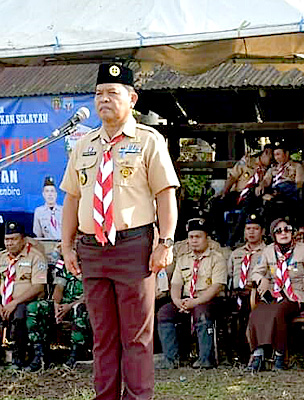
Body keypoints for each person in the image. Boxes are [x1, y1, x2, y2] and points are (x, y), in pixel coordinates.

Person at [60, 63, 179, 400]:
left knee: (137, 337)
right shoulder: (83, 145)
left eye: (112, 92)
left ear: (132, 98)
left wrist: (165, 242)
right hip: (92, 250)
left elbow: (165, 194)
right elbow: (72, 198)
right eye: (99, 93)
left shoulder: (148, 141)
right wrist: (67, 247)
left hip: (133, 247)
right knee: (103, 337)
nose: (104, 99)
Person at [246, 218, 304, 372]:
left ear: (292, 232)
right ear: (273, 235)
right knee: (256, 313)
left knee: (277, 312)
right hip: (275, 293)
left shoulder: (303, 250)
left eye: (287, 229)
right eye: (279, 231)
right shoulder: (268, 250)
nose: (283, 233)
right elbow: (255, 272)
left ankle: (279, 355)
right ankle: (258, 353)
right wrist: (260, 278)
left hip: (296, 295)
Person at [156, 218, 226, 370]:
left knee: (201, 311)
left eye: (198, 237)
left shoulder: (217, 258)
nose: (194, 241)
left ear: (206, 239)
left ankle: (205, 359)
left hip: (210, 300)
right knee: (164, 312)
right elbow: (176, 284)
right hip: (186, 300)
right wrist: (177, 301)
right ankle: (171, 359)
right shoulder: (183, 259)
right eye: (191, 237)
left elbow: (216, 286)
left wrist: (196, 302)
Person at [0, 221, 49, 371]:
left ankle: (18, 358)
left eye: (14, 239)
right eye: (7, 240)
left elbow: (38, 287)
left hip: (26, 301)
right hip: (3, 301)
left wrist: (14, 302)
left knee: (20, 314)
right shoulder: (2, 257)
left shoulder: (36, 257)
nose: (10, 243)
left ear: (23, 239)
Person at [227, 213, 266, 363]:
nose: (251, 232)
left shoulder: (268, 252)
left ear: (262, 231)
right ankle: (232, 354)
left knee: (248, 312)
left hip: (255, 294)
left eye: (255, 228)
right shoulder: (236, 253)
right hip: (235, 294)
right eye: (248, 228)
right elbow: (230, 275)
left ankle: (252, 352)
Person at [52, 252, 92, 369]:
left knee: (80, 309)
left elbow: (90, 294)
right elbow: (59, 287)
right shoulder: (67, 265)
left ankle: (76, 353)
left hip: (84, 305)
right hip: (64, 305)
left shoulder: (93, 264)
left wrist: (69, 306)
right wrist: (56, 305)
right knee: (38, 307)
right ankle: (40, 354)